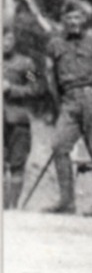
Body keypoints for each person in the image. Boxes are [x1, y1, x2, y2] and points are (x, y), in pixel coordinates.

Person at [4, 27, 46, 210]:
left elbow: (38, 87)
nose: (6, 42)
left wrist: (12, 89)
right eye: (2, 38)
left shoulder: (27, 64)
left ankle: (12, 208)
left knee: (17, 164)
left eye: (9, 38)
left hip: (17, 121)